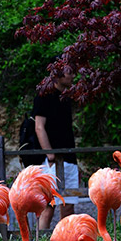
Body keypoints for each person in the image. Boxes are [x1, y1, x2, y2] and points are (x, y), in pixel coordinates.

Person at [33, 61, 77, 229]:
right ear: (58, 74)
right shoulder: (44, 95)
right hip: (52, 159)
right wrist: (50, 154)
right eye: (69, 72)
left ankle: (66, 238)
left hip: (69, 157)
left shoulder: (65, 97)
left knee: (68, 204)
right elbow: (39, 126)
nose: (73, 75)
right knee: (48, 205)